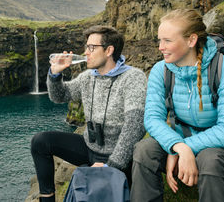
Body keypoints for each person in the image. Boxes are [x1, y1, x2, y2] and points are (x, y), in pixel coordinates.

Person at [131, 9, 224, 202]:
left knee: (210, 159)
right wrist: (177, 146)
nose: (160, 47)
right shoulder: (161, 70)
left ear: (191, 40)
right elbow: (152, 119)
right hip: (182, 147)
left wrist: (185, 147)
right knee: (144, 150)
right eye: (159, 40)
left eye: (167, 41)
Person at [31, 25, 147, 202]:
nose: (85, 53)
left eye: (91, 48)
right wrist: (55, 75)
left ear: (109, 50)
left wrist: (111, 165)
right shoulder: (88, 77)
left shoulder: (133, 78)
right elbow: (59, 96)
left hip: (119, 156)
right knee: (40, 142)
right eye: (86, 47)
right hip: (89, 147)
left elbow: (135, 125)